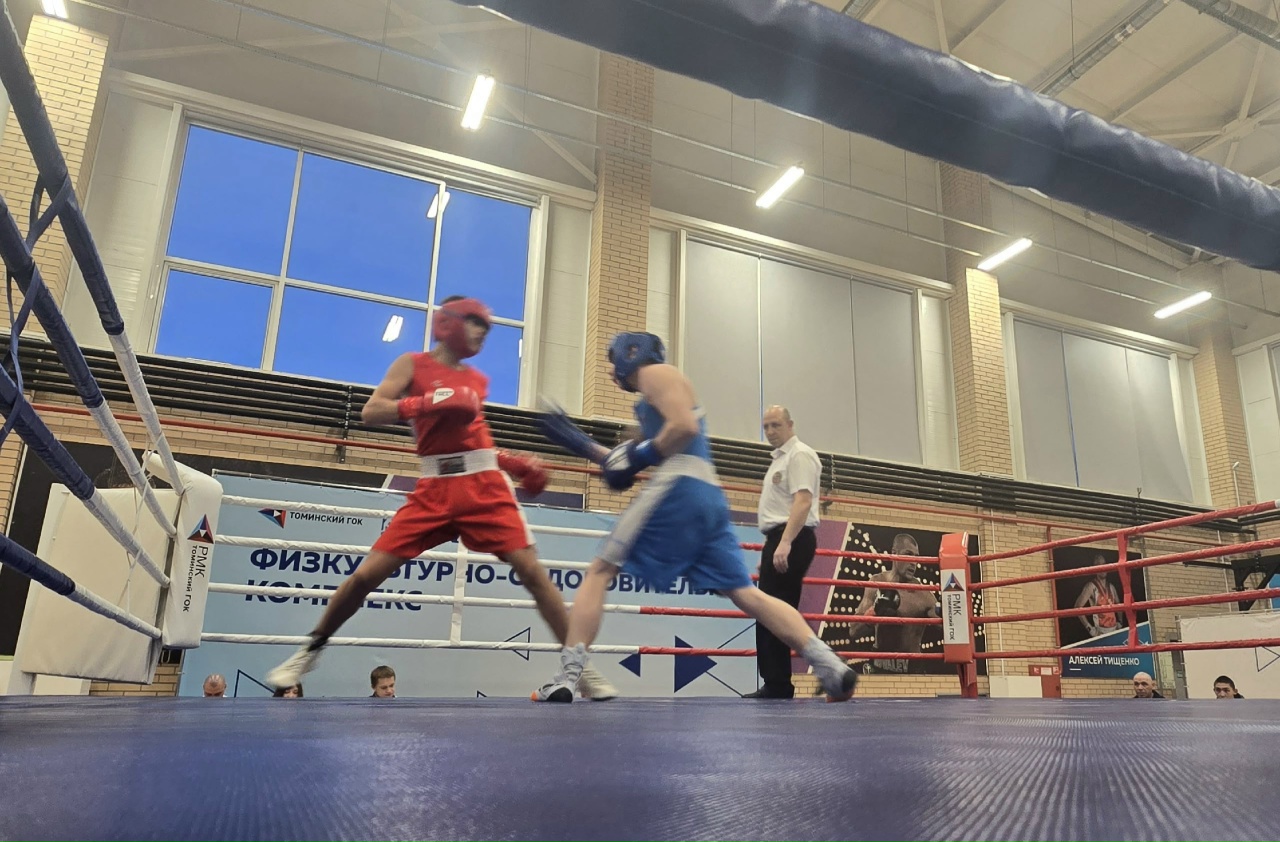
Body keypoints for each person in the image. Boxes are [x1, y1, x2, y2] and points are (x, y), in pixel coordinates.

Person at [267, 296, 616, 701]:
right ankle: (309, 652)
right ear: (448, 322)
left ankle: (579, 668)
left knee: (533, 572)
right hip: (433, 488)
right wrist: (427, 401)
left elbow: (473, 441)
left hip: (482, 485)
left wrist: (515, 463)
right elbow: (371, 412)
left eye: (487, 327)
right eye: (475, 323)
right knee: (365, 576)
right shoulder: (412, 365)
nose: (482, 333)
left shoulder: (476, 380)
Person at [532, 331, 857, 703]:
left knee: (600, 570)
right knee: (746, 594)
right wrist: (578, 442)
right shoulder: (651, 401)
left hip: (679, 485)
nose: (609, 370)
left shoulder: (656, 374)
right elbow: (627, 458)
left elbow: (680, 430)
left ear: (630, 353)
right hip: (707, 494)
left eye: (610, 360)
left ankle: (567, 678)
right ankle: (830, 666)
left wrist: (639, 456)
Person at [744, 405, 822, 699]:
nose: (770, 431)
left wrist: (786, 542)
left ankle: (780, 683)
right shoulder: (780, 459)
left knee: (774, 613)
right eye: (766, 426)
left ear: (790, 424)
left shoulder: (799, 454)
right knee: (773, 612)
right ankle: (778, 681)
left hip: (792, 536)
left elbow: (803, 501)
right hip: (781, 537)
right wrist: (775, 546)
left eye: (776, 425)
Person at [848, 534, 938, 674]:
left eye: (916, 557)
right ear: (894, 553)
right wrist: (875, 611)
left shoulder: (924, 595)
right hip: (879, 664)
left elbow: (948, 627)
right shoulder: (876, 583)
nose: (914, 562)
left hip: (911, 669)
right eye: (908, 555)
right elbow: (854, 631)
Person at [1074, 557, 1125, 639]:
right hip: (1101, 632)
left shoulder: (1111, 587)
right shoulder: (1091, 586)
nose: (1102, 567)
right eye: (1099, 565)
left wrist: (1120, 622)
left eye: (1104, 564)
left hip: (1114, 630)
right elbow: (1077, 607)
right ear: (1095, 568)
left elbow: (1119, 605)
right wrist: (1090, 629)